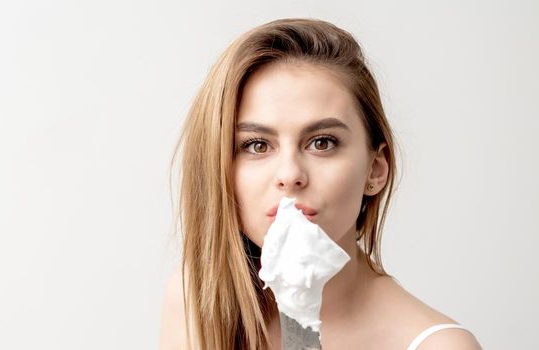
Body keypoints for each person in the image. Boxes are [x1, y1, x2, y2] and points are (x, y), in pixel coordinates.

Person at [159, 18, 482, 350]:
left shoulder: (441, 346)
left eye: (322, 143)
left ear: (375, 169)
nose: (289, 175)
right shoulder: (194, 304)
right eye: (257, 145)